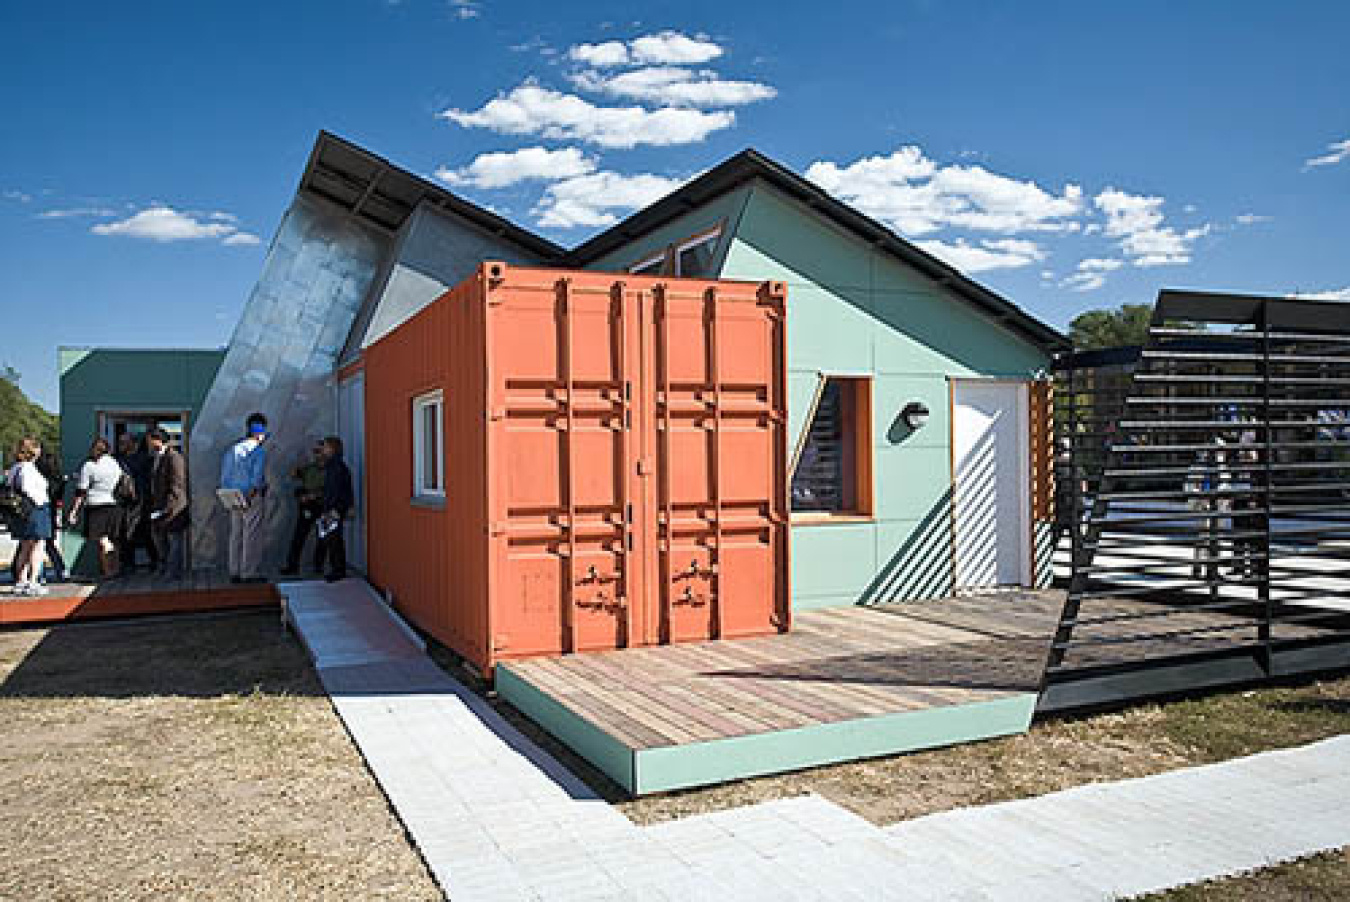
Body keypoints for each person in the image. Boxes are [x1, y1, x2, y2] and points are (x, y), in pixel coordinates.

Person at [220, 412, 269, 583]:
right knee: (251, 534)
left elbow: (224, 477)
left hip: (232, 495)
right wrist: (252, 495)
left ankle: (234, 571)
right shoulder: (258, 451)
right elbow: (257, 479)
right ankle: (249, 572)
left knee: (236, 534)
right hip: (250, 495)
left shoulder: (232, 449)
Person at [68, 437, 125, 580]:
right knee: (114, 540)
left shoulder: (89, 466)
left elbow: (81, 490)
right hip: (114, 504)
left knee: (103, 541)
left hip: (96, 506)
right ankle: (116, 568)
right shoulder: (115, 464)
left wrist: (73, 511)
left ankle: (107, 572)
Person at [7, 437, 52, 596]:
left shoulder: (15, 468)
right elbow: (28, 488)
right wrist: (40, 502)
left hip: (21, 511)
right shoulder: (28, 468)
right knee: (38, 545)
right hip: (35, 509)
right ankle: (33, 581)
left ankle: (21, 581)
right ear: (32, 451)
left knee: (25, 546)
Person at [146, 428, 189, 580]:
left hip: (173, 507)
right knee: (158, 538)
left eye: (150, 439)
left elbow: (178, 483)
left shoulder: (174, 457)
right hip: (158, 505)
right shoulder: (157, 456)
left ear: (158, 440)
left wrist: (169, 506)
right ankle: (164, 567)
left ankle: (173, 572)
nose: (148, 443)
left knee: (174, 539)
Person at [280, 442, 327, 577]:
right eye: (315, 451)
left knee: (322, 538)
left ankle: (319, 566)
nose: (317, 454)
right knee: (299, 536)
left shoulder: (331, 470)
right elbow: (294, 475)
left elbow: (331, 489)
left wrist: (315, 495)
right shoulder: (310, 468)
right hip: (308, 507)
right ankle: (292, 566)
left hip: (322, 506)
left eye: (320, 451)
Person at [115, 433, 157, 574]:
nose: (120, 445)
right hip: (131, 502)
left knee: (136, 533)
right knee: (134, 533)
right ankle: (146, 562)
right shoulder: (144, 459)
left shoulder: (138, 460)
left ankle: (142, 562)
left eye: (123, 442)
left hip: (139, 501)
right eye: (120, 442)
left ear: (133, 444)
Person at [316, 436, 353, 583]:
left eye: (325, 446)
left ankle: (338, 571)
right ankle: (336, 569)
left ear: (332, 448)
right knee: (331, 539)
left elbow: (339, 490)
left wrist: (334, 509)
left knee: (334, 539)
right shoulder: (332, 465)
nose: (323, 449)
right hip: (331, 508)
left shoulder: (337, 467)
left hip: (335, 509)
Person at [35, 452, 67, 583]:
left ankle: (39, 574)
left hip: (41, 511)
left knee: (37, 545)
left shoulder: (40, 481)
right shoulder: (59, 480)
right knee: (49, 544)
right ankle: (61, 570)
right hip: (52, 512)